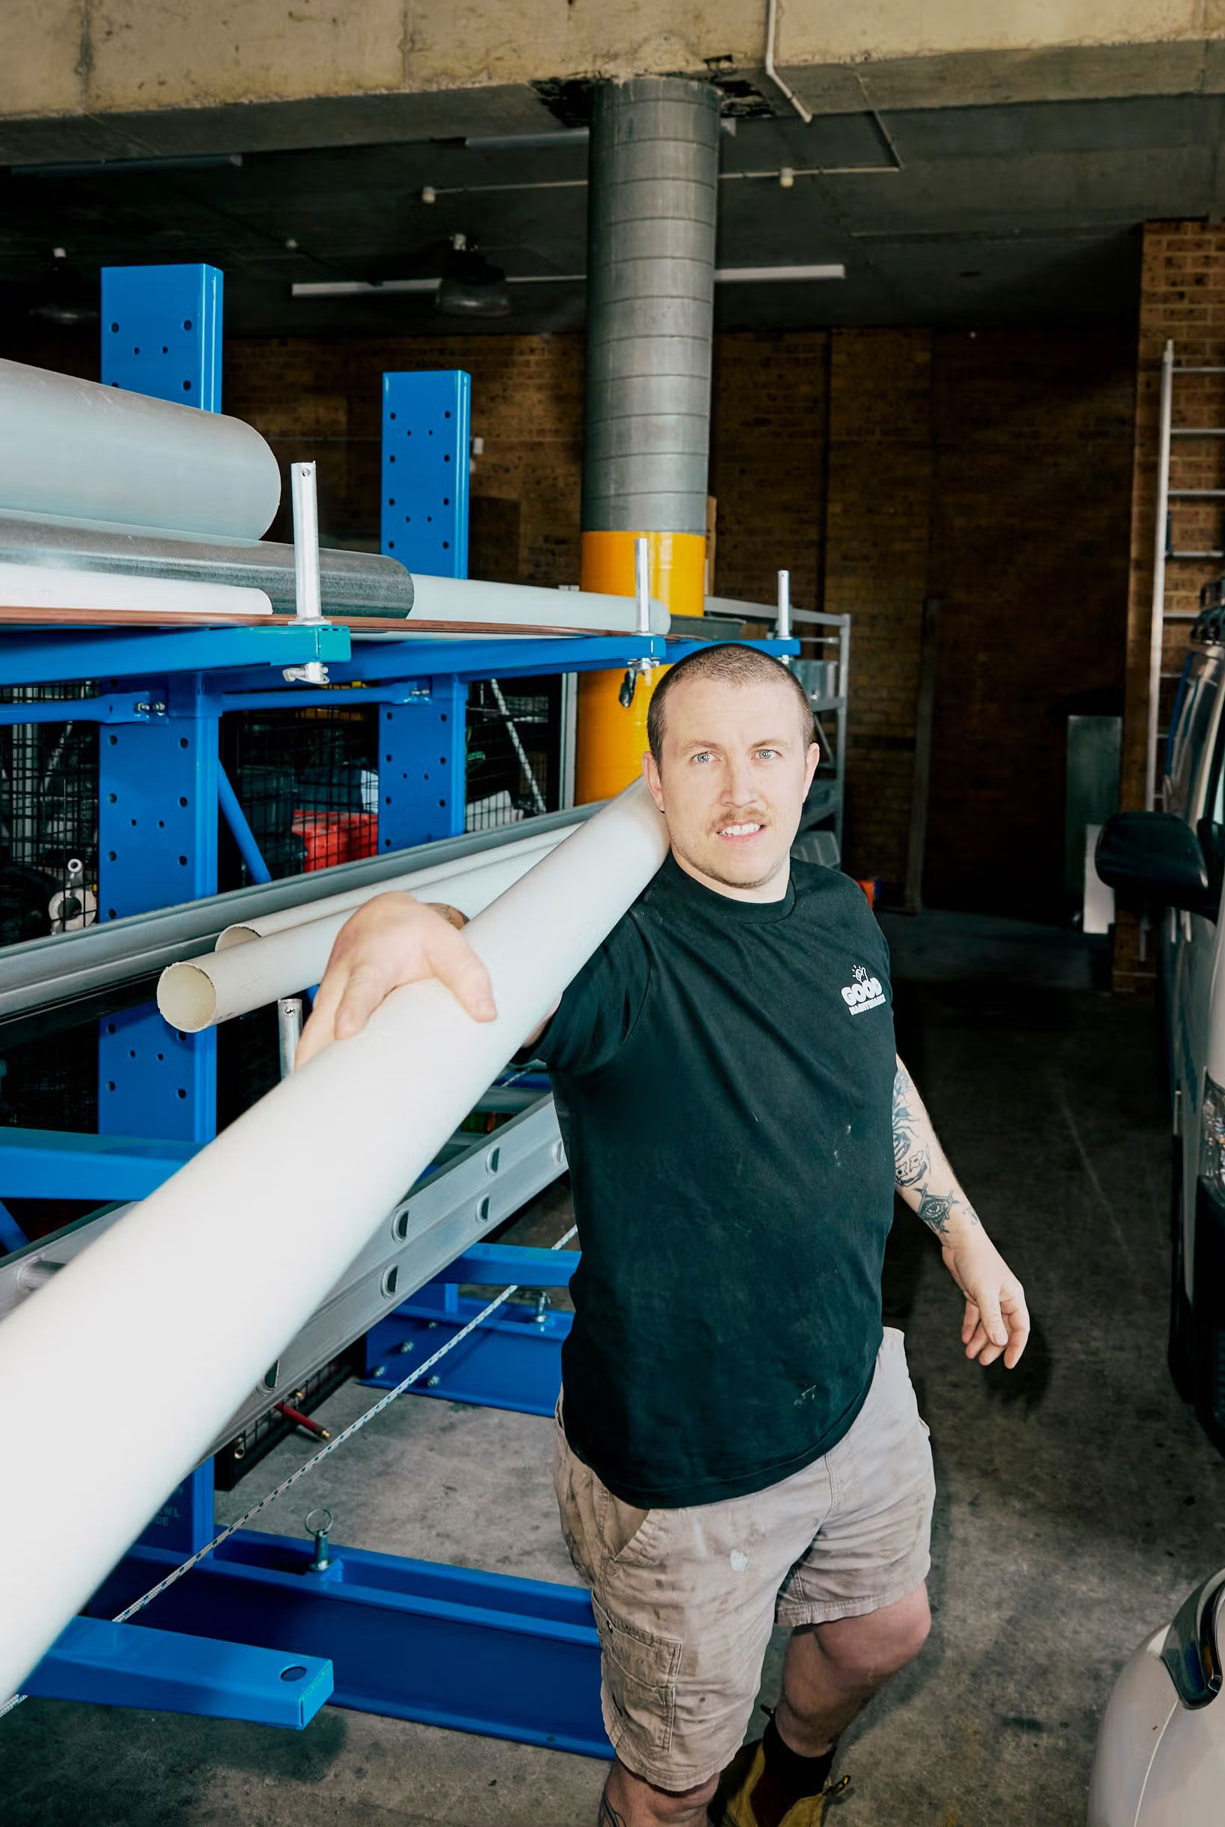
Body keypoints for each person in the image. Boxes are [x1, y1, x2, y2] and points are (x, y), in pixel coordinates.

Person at [299, 644, 1028, 1827]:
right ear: (655, 778)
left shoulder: (840, 913)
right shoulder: (622, 953)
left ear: (809, 767)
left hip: (850, 1379)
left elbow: (875, 1070)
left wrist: (961, 1231)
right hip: (687, 1460)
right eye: (702, 756)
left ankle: (783, 1782)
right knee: (668, 1780)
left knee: (886, 1629)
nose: (739, 789)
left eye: (765, 753)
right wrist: (406, 918)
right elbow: (501, 969)